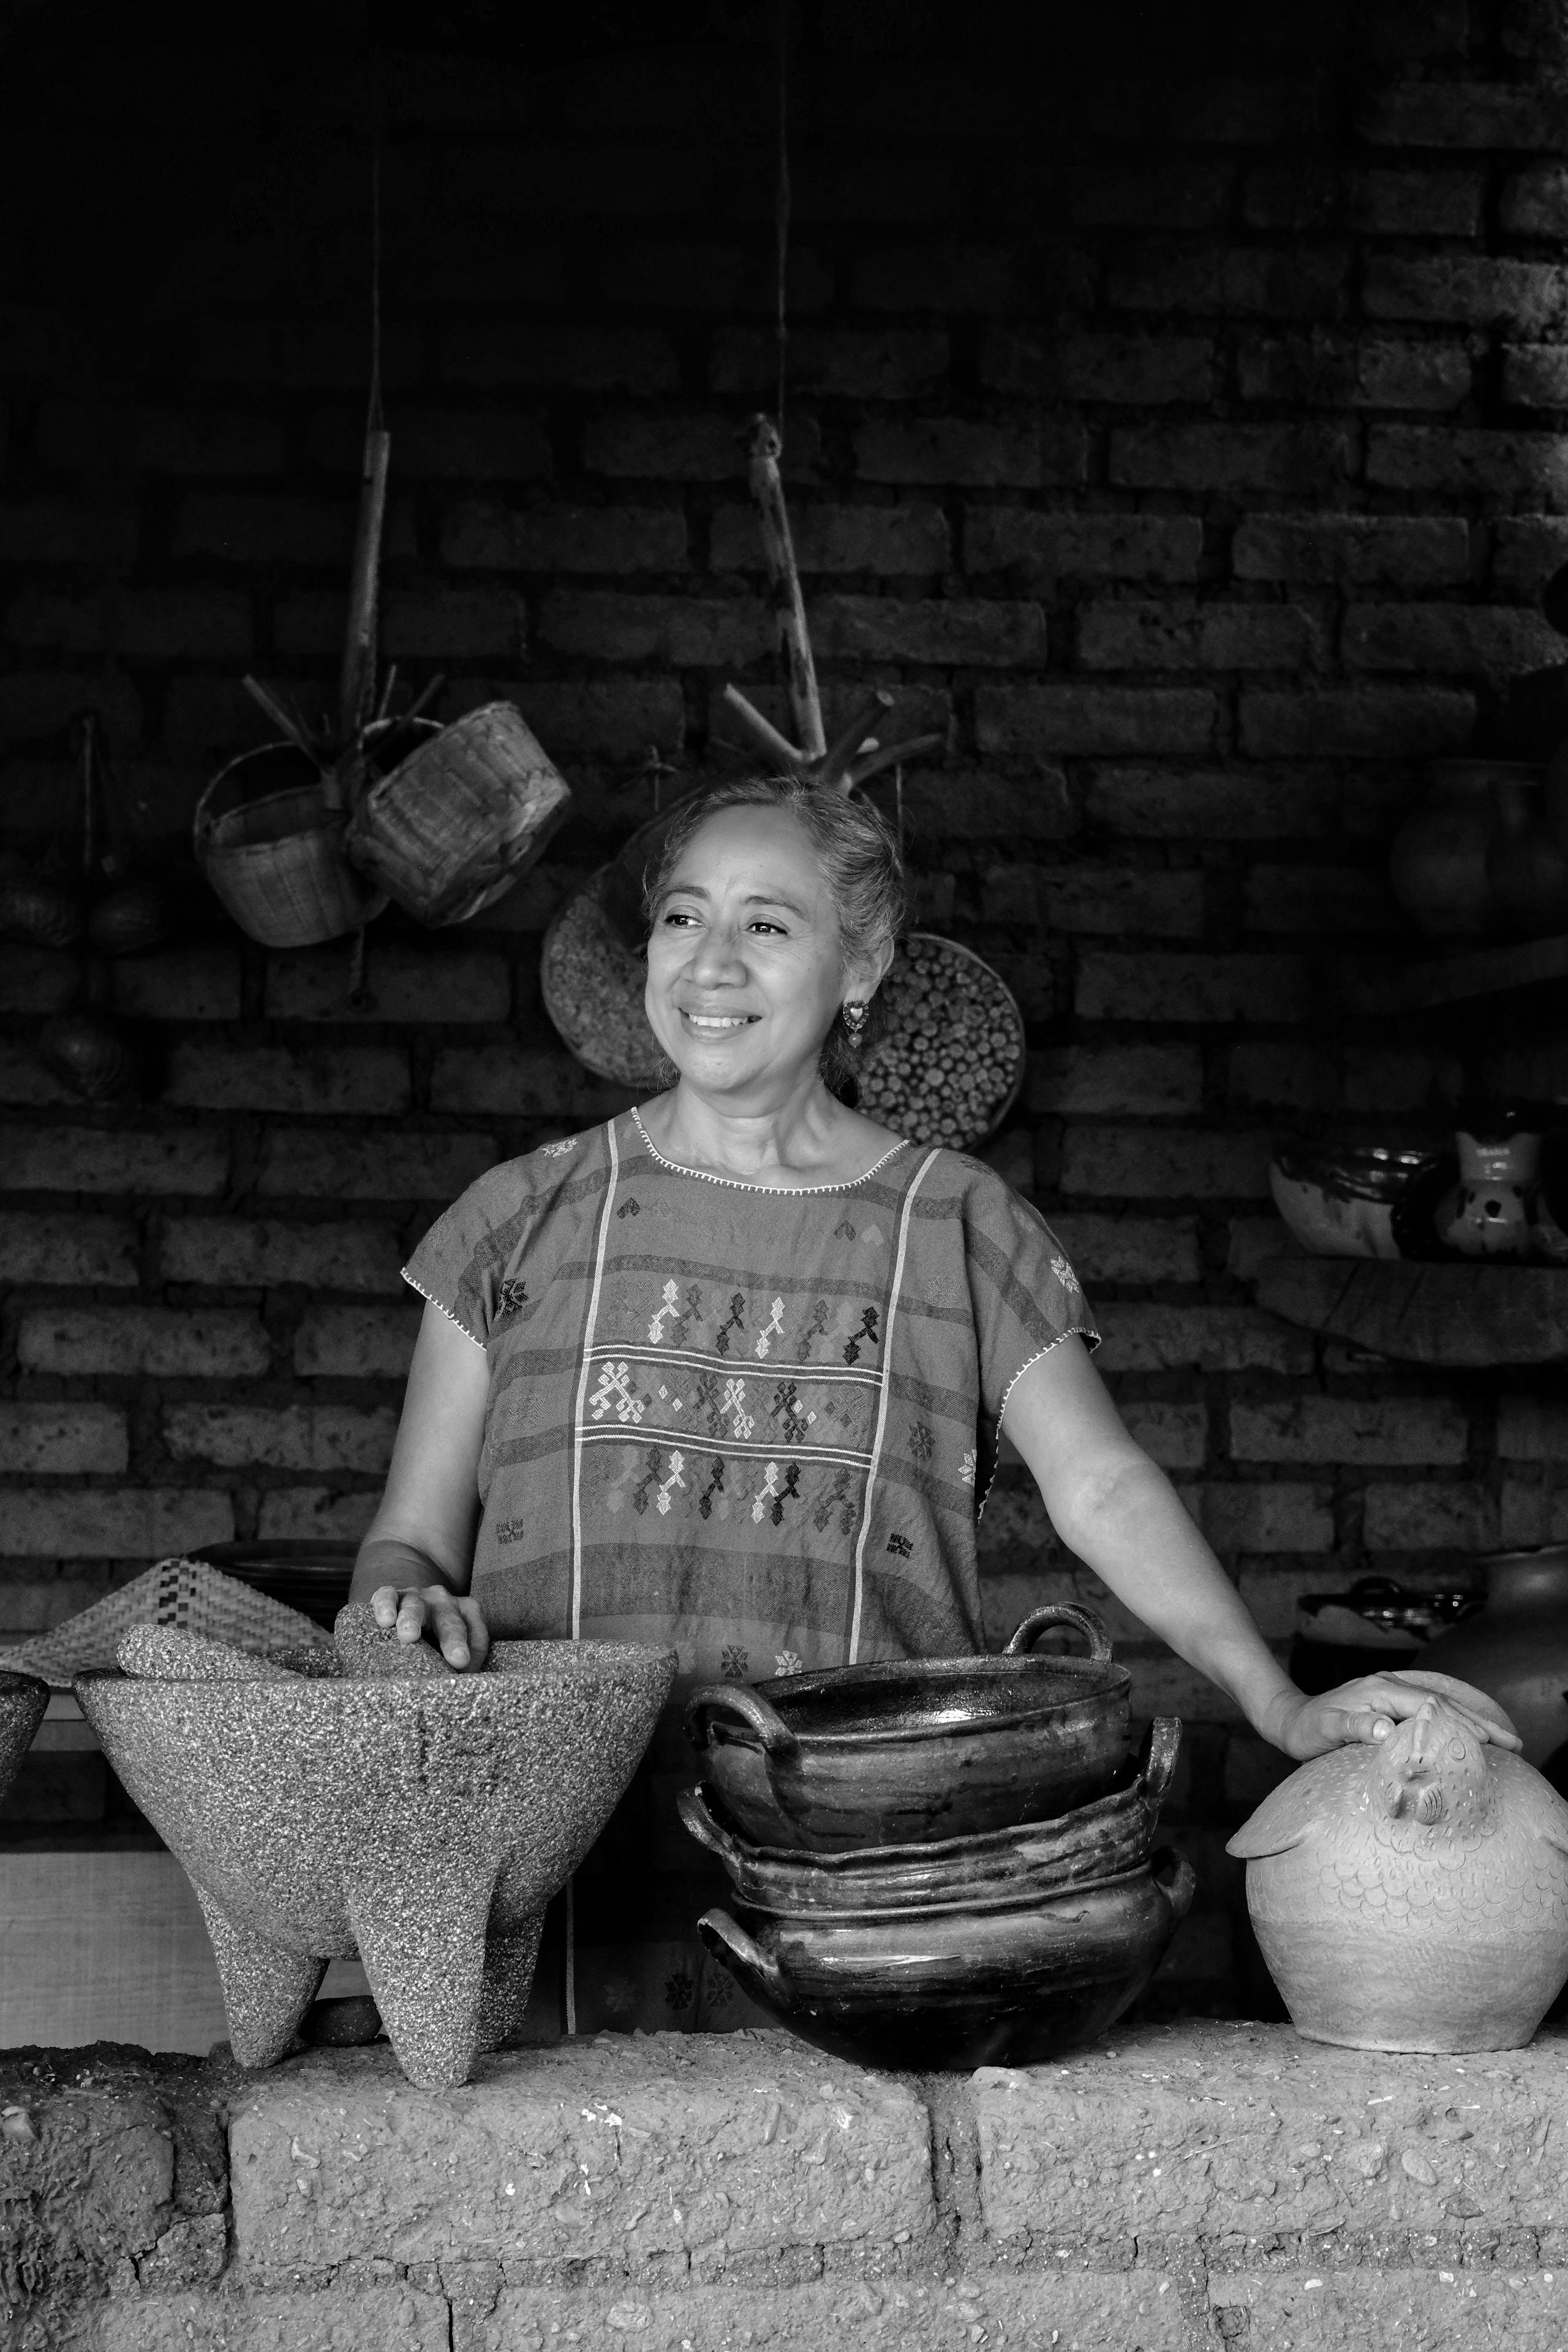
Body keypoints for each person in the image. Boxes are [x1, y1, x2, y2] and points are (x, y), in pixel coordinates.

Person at [349, 774, 1514, 2033]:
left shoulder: (958, 1224)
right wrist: (401, 1603)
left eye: (767, 924)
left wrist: (1274, 1700)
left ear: (861, 966)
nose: (710, 964)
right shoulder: (516, 1218)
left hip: (870, 1901)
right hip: (543, 1884)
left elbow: (1101, 1485)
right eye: (682, 919)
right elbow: (407, 1539)